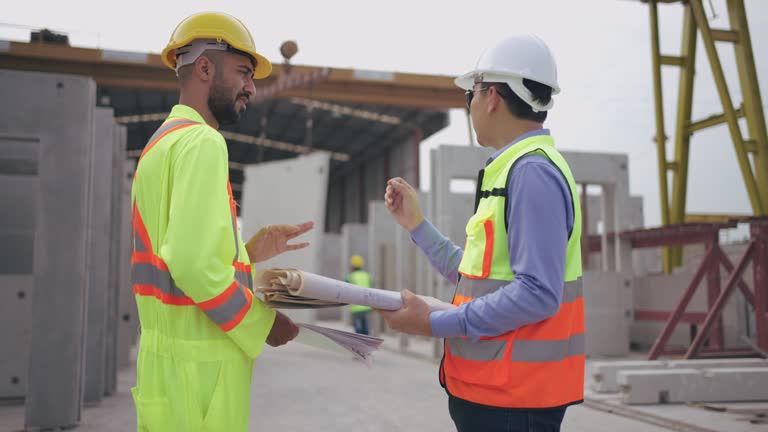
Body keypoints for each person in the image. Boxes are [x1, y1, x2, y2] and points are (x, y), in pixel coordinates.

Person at [378, 34, 585, 432]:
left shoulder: (532, 172)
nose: (469, 106)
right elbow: (476, 276)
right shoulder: (513, 170)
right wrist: (417, 226)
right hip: (495, 394)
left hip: (514, 402)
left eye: (469, 95)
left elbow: (538, 293)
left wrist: (434, 323)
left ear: (491, 97)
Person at [130, 11, 313, 431]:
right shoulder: (203, 143)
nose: (252, 86)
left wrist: (247, 253)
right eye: (244, 72)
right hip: (201, 375)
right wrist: (264, 323)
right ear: (205, 68)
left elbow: (175, 257)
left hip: (166, 367)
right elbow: (194, 267)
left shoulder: (161, 144)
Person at [344, 255, 374, 334]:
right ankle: (367, 342)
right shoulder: (367, 276)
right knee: (366, 328)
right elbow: (372, 289)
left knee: (358, 329)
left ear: (352, 265)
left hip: (355, 307)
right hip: (367, 306)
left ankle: (359, 344)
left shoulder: (349, 277)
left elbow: (344, 291)